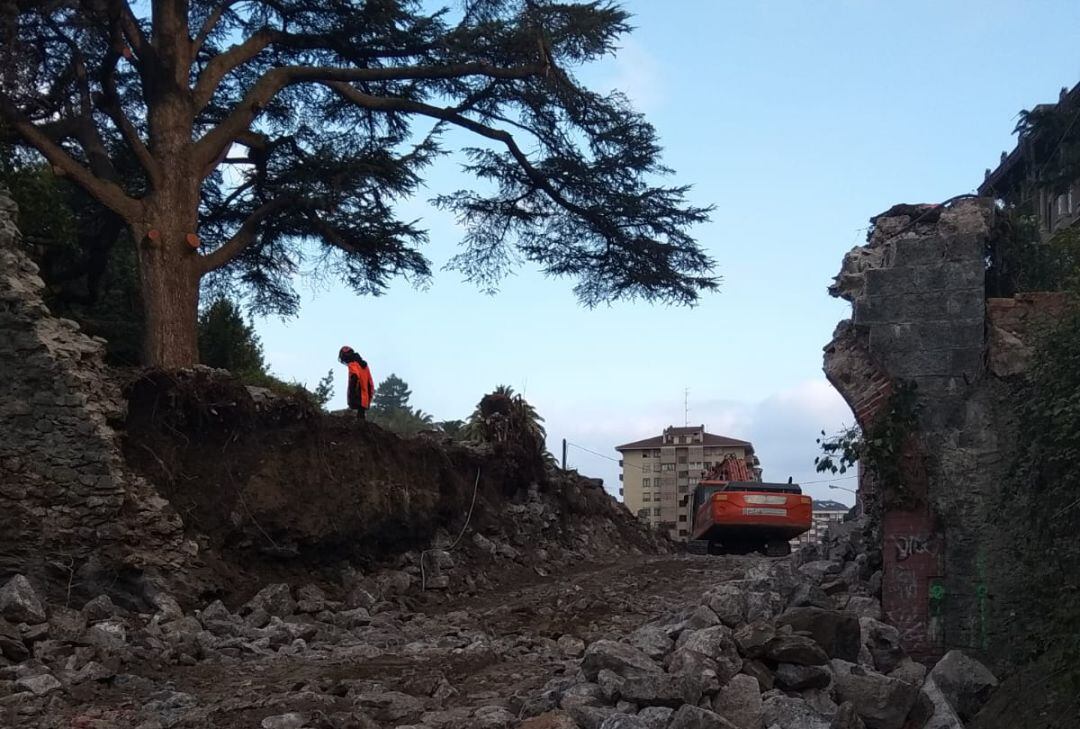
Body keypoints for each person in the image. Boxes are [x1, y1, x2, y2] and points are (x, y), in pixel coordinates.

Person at [338, 346, 374, 419]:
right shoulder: (364, 366)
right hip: (364, 397)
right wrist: (369, 396)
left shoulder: (352, 364)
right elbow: (370, 383)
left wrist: (352, 394)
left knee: (354, 421)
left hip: (357, 395)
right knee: (361, 418)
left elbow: (354, 376)